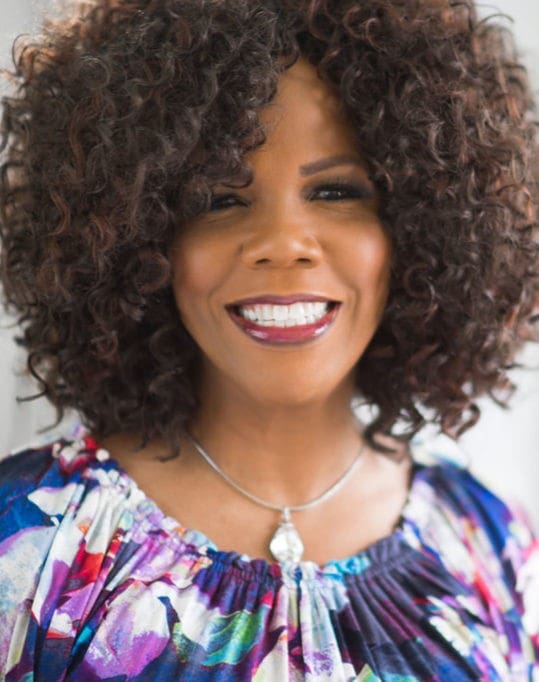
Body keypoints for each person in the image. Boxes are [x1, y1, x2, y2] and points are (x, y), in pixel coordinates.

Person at [0, 0, 537, 679]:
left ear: (423, 225)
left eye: (338, 192)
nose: (283, 245)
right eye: (219, 199)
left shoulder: (486, 541)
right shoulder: (27, 544)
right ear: (136, 236)